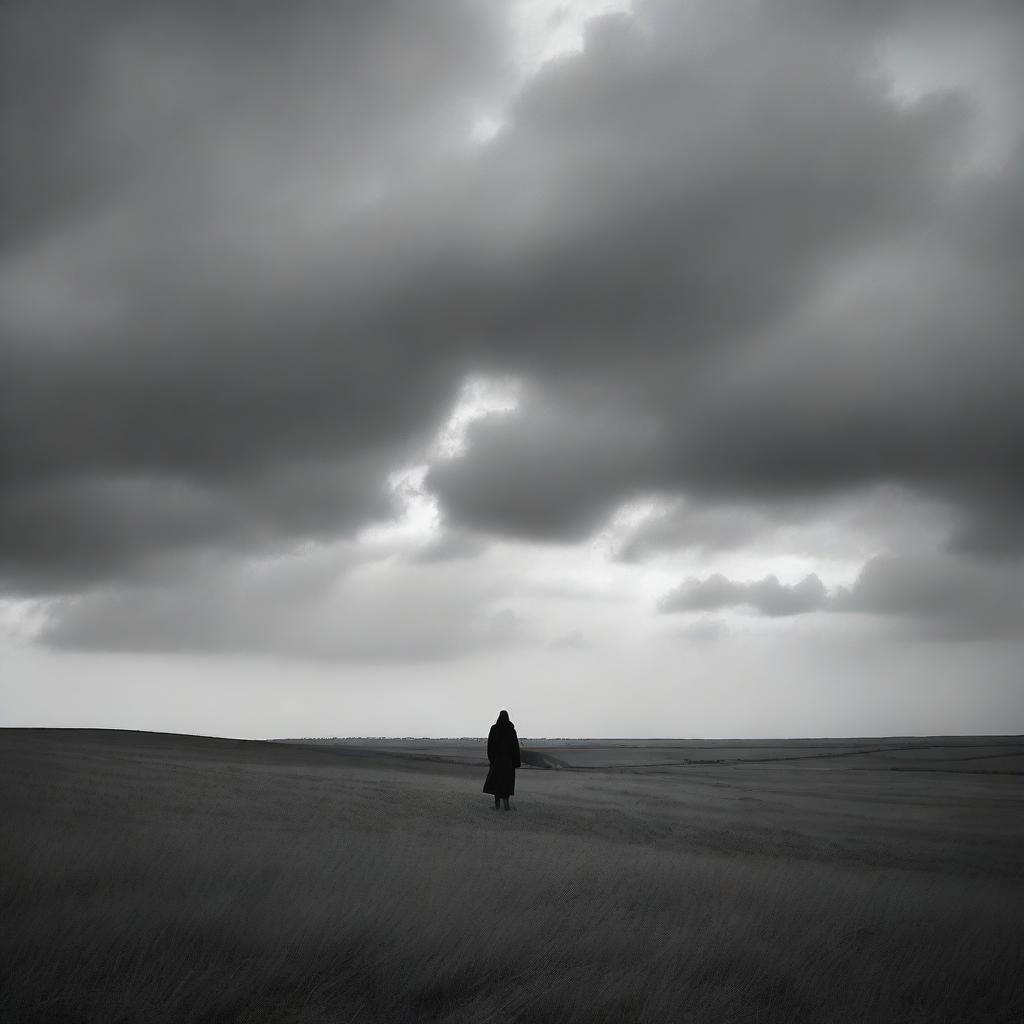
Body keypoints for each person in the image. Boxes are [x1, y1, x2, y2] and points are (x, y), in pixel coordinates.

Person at [483, 709, 521, 810]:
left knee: (497, 783)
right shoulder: (511, 730)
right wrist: (516, 762)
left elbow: (490, 746)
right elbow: (515, 747)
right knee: (507, 783)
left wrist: (492, 760)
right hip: (508, 762)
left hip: (497, 761)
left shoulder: (494, 729)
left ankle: (497, 805)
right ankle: (506, 804)